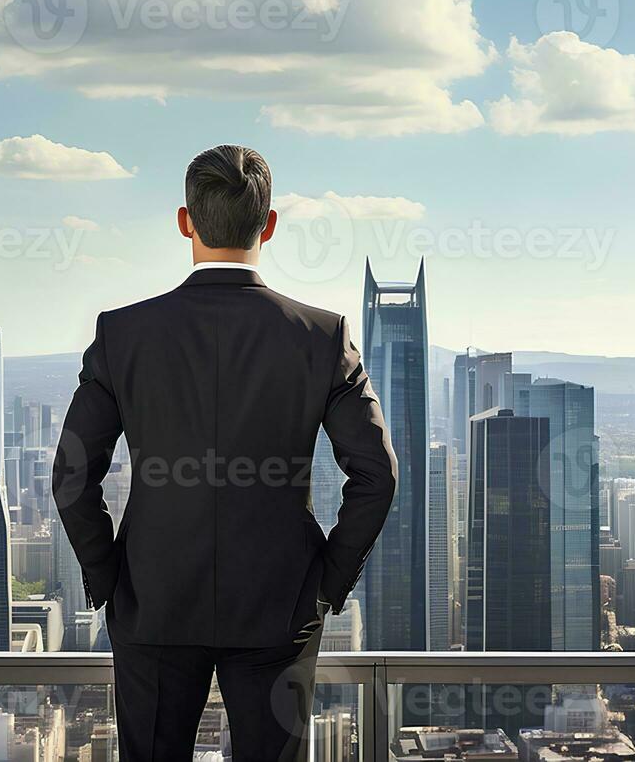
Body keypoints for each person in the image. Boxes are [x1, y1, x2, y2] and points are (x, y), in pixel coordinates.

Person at [53, 143, 398, 762]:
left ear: (184, 221)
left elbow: (73, 476)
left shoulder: (122, 334)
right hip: (279, 602)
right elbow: (376, 476)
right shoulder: (324, 337)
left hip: (151, 602)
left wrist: (108, 576)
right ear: (268, 226)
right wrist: (328, 580)